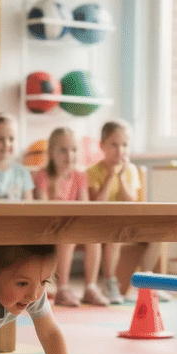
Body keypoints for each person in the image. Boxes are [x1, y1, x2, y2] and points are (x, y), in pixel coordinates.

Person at [86, 120, 169, 304]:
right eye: (114, 145)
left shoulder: (131, 170)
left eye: (124, 145)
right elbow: (96, 204)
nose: (120, 150)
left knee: (159, 234)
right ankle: (109, 282)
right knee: (115, 236)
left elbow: (132, 202)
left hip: (129, 222)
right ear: (102, 146)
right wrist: (109, 177)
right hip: (104, 224)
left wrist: (121, 178)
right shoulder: (93, 171)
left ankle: (148, 282)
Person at [33, 127, 107, 307]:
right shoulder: (43, 175)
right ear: (51, 153)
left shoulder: (80, 176)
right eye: (63, 150)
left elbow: (84, 206)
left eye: (74, 150)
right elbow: (41, 207)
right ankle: (63, 289)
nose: (70, 155)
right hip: (48, 226)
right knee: (68, 237)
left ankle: (90, 287)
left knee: (94, 238)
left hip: (72, 225)